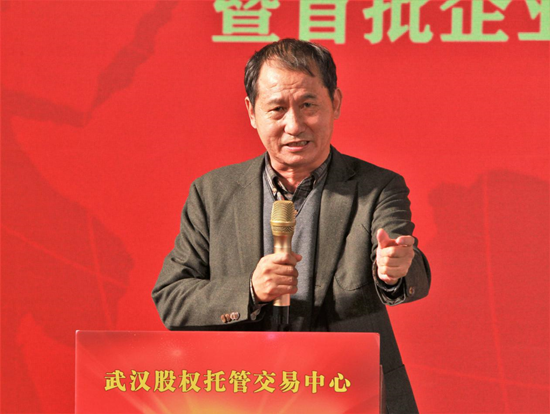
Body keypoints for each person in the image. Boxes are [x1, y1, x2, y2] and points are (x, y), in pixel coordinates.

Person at [152, 38, 430, 413]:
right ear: (252, 112)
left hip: (350, 392)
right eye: (277, 109)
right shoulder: (212, 193)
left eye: (308, 105)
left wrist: (394, 270)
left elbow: (402, 258)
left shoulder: (377, 186)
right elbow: (172, 299)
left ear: (335, 103)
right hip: (245, 393)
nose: (294, 125)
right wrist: (250, 290)